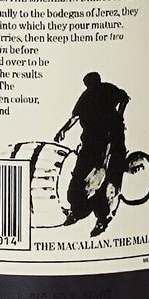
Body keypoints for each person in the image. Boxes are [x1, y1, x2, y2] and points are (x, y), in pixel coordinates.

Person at [55, 72, 130, 236]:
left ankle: (102, 219)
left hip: (111, 140)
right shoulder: (87, 96)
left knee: (107, 179)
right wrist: (63, 130)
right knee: (80, 176)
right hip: (91, 142)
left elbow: (125, 97)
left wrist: (119, 115)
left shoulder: (107, 89)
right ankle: (77, 211)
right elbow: (75, 117)